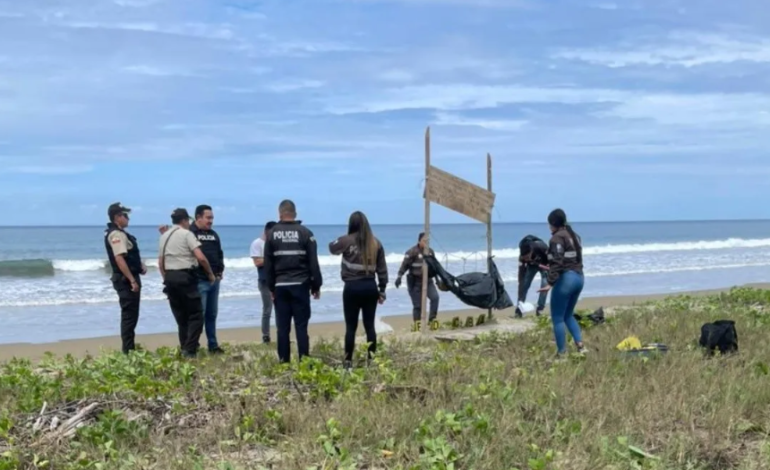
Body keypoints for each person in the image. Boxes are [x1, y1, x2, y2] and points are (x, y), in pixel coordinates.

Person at [263, 200, 323, 363]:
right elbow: (313, 262)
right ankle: (304, 361)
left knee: (282, 328)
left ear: (280, 213)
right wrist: (316, 285)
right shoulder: (306, 233)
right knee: (301, 326)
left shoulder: (272, 234)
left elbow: (268, 265)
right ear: (295, 214)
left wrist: (271, 287)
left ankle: (284, 362)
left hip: (280, 286)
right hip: (301, 285)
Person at [328, 211, 388, 369]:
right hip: (370, 287)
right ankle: (371, 362)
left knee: (350, 327)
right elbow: (382, 269)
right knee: (370, 326)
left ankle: (348, 363)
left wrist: (342, 239)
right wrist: (382, 290)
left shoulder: (346, 240)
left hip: (352, 288)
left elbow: (331, 248)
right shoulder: (376, 243)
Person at [158, 208, 217, 358]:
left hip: (170, 277)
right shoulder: (187, 234)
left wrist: (166, 278)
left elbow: (161, 262)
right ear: (184, 220)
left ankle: (185, 346)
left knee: (181, 317)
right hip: (185, 277)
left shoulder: (164, 236)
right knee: (196, 315)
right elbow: (200, 257)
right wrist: (210, 273)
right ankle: (190, 349)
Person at [537, 209, 587, 357]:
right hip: (579, 277)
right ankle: (581, 346)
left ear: (553, 224)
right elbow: (571, 258)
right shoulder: (574, 235)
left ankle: (562, 354)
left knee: (557, 318)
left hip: (566, 280)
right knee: (568, 315)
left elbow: (557, 262)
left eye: (549, 224)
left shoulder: (556, 238)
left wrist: (550, 283)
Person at [104, 202, 146, 354]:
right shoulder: (116, 234)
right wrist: (132, 280)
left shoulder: (121, 234)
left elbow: (129, 255)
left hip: (127, 278)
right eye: (125, 215)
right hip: (125, 280)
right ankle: (128, 351)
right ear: (117, 217)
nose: (128, 218)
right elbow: (119, 258)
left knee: (132, 315)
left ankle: (130, 348)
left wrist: (140, 265)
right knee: (129, 316)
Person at [190, 205, 225, 354]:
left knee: (212, 314)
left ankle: (213, 345)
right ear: (198, 217)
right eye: (208, 218)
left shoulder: (213, 234)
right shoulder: (191, 233)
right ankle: (194, 345)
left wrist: (220, 271)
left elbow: (219, 254)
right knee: (200, 315)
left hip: (214, 280)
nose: (210, 221)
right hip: (200, 280)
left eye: (212, 218)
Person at [395, 232, 439, 325]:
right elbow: (404, 265)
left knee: (435, 298)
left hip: (428, 281)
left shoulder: (430, 252)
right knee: (418, 305)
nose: (426, 243)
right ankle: (417, 325)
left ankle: (431, 321)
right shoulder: (412, 252)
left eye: (428, 241)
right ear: (419, 241)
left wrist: (437, 280)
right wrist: (399, 277)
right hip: (415, 282)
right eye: (424, 241)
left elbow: (434, 267)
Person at [250, 221, 277, 344]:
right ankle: (266, 336)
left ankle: (282, 333)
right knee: (267, 309)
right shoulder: (257, 243)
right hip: (264, 280)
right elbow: (257, 262)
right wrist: (271, 258)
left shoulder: (276, 243)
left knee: (281, 309)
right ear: (266, 231)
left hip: (277, 279)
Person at [516, 234, 550, 317]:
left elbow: (553, 260)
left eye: (528, 257)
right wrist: (521, 283)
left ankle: (540, 308)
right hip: (532, 266)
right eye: (525, 258)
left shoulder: (541, 247)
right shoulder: (522, 258)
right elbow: (521, 273)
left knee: (544, 285)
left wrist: (549, 268)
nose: (527, 259)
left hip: (545, 264)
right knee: (524, 285)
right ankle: (519, 308)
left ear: (531, 251)